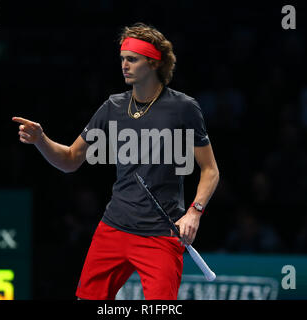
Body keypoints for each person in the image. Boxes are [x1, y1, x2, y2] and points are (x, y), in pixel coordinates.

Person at [12, 22, 219, 300]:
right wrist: (41, 140)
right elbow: (70, 160)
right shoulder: (113, 107)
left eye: (132, 59)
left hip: (160, 234)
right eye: (122, 59)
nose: (124, 65)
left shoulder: (183, 108)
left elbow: (210, 170)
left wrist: (194, 212)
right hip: (114, 227)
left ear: (153, 62)